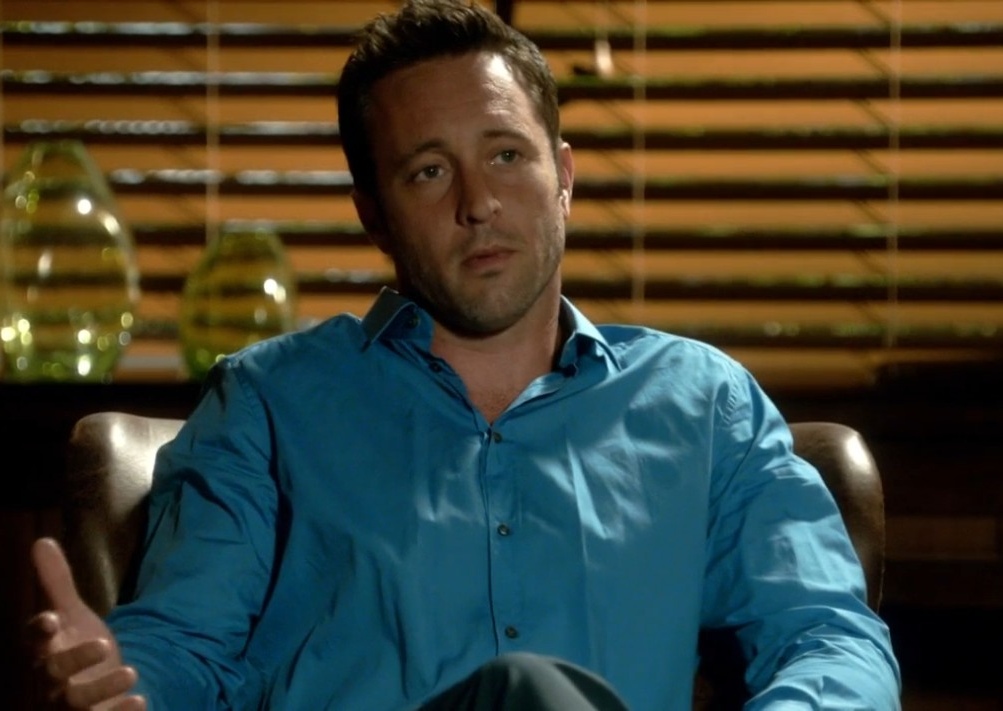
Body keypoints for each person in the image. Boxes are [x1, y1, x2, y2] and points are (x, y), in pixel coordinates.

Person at [28, 1, 902, 709]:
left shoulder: (704, 404)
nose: (478, 202)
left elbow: (827, 635)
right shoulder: (267, 402)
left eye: (507, 155)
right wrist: (120, 682)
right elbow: (181, 645)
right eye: (428, 172)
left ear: (564, 178)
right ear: (373, 215)